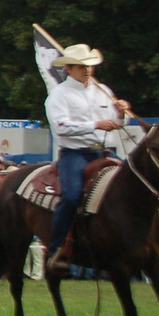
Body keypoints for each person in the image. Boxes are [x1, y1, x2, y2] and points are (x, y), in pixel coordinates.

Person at [43, 43, 128, 277]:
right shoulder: (58, 95)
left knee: (136, 183)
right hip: (75, 153)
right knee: (71, 196)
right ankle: (56, 248)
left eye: (89, 66)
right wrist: (95, 124)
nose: (87, 70)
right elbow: (60, 127)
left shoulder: (103, 90)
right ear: (68, 69)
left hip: (104, 151)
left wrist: (121, 113)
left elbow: (116, 123)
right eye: (81, 66)